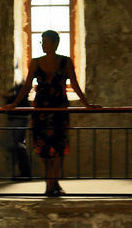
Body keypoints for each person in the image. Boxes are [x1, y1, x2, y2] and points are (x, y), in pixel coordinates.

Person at [7, 30, 98, 196]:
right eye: (42, 41)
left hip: (59, 110)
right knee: (43, 149)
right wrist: (13, 104)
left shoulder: (66, 62)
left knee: (57, 148)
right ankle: (50, 184)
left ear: (55, 43)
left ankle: (53, 183)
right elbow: (27, 86)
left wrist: (87, 104)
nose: (43, 44)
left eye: (46, 41)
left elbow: (75, 85)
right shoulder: (35, 62)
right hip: (41, 110)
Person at [3, 82, 32, 181]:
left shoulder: (18, 99)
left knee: (18, 145)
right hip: (20, 120)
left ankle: (25, 173)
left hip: (18, 120)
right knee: (18, 145)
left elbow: (9, 104)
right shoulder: (22, 99)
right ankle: (25, 172)